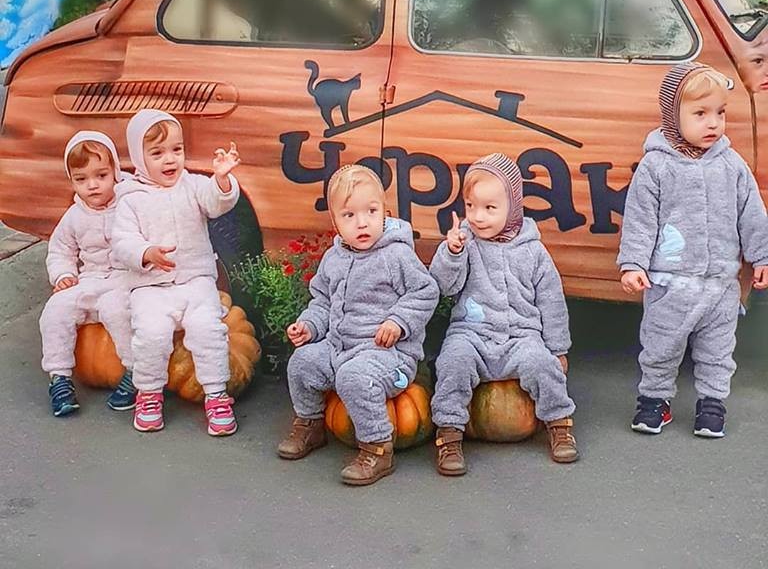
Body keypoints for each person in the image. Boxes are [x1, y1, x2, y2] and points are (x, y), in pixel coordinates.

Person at [618, 62, 768, 437]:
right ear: (674, 115)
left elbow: (752, 214)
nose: (713, 123)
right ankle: (654, 401)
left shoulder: (732, 165)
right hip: (669, 284)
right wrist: (633, 264)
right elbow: (640, 219)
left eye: (720, 113)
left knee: (717, 352)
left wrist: (762, 255)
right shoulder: (655, 166)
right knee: (660, 347)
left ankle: (712, 404)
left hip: (720, 284)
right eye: (700, 114)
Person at [277, 164, 439, 486]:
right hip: (339, 348)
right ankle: (310, 424)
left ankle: (377, 448)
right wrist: (309, 326)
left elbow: (425, 291)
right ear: (335, 222)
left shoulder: (396, 256)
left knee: (354, 378)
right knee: (302, 363)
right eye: (349, 215)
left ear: (385, 213)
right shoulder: (333, 259)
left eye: (371, 211)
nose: (362, 222)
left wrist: (398, 321)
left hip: (388, 355)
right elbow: (322, 301)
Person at [429, 153, 578, 476]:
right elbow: (442, 286)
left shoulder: (532, 250)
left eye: (489, 208)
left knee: (542, 365)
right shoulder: (465, 243)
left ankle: (559, 423)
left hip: (520, 336)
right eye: (470, 206)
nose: (478, 216)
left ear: (513, 206)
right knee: (453, 361)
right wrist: (451, 253)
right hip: (472, 334)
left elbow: (551, 301)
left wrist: (558, 349)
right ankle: (449, 433)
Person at [112, 109, 241, 436]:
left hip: (196, 280)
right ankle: (149, 394)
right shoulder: (130, 199)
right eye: (157, 153)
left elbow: (216, 203)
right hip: (150, 287)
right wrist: (146, 253)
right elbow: (122, 242)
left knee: (208, 329)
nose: (170, 159)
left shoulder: (193, 185)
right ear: (139, 158)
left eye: (176, 150)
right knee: (151, 333)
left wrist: (222, 180)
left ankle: (216, 395)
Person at [40, 131, 136, 416]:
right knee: (55, 310)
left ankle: (137, 372)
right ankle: (59, 378)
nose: (92, 185)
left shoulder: (130, 204)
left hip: (125, 279)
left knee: (116, 311)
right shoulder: (74, 216)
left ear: (115, 172)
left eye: (101, 176)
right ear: (72, 181)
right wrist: (63, 275)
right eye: (81, 179)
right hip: (90, 279)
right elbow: (60, 251)